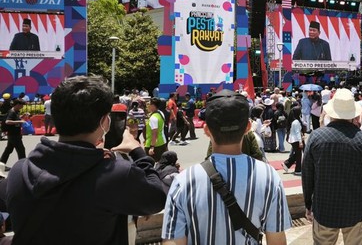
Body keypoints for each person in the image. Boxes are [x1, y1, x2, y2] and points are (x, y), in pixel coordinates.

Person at [5, 75, 167, 244]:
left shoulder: (20, 171)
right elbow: (156, 198)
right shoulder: (116, 174)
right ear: (104, 121)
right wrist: (138, 151)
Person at [162, 90, 291, 245]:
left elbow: (172, 241)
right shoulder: (269, 177)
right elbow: (277, 240)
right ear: (248, 127)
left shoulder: (183, 181)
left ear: (206, 130)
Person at [302, 88, 362, 244]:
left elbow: (307, 175)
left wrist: (308, 204)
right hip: (356, 209)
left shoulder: (316, 137)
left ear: (331, 112)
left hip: (324, 208)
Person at [0, 99, 26, 166]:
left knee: (8, 150)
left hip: (13, 134)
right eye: (21, 105)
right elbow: (7, 121)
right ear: (17, 105)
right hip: (14, 135)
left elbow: (15, 118)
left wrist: (22, 116)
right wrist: (20, 122)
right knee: (21, 150)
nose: (22, 106)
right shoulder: (12, 112)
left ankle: (1, 165)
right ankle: (22, 166)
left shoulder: (16, 111)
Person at [282, 106, 304, 176]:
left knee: (297, 154)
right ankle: (297, 169)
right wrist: (300, 141)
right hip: (296, 140)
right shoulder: (296, 121)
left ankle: (287, 164)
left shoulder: (294, 120)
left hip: (294, 139)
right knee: (298, 155)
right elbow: (297, 132)